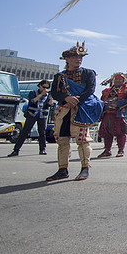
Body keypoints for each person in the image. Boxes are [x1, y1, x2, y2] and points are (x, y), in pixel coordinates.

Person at [46, 42, 103, 181]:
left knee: (83, 140)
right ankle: (62, 169)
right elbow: (54, 92)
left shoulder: (88, 73)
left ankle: (85, 168)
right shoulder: (59, 76)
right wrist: (66, 98)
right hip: (65, 109)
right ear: (67, 59)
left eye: (80, 58)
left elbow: (90, 89)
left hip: (82, 107)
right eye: (75, 57)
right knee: (62, 140)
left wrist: (76, 100)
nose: (78, 60)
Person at [9, 79, 53, 156]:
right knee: (25, 132)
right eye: (44, 87)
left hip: (42, 115)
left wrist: (51, 97)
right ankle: (16, 150)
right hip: (32, 114)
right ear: (40, 86)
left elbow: (49, 105)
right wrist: (40, 95)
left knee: (42, 133)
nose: (45, 89)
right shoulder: (33, 92)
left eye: (47, 87)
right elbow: (32, 101)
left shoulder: (47, 95)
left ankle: (42, 149)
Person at [98, 73, 127, 158]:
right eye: (116, 79)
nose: (117, 81)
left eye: (119, 79)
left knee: (120, 132)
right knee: (107, 132)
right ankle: (107, 150)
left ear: (123, 81)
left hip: (119, 114)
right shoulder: (107, 91)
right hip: (107, 113)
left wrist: (117, 105)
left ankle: (121, 150)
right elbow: (101, 101)